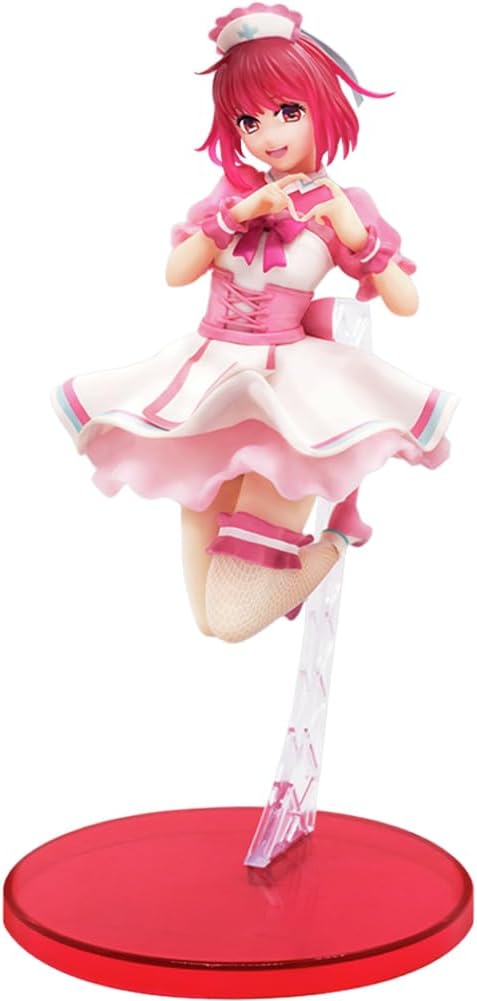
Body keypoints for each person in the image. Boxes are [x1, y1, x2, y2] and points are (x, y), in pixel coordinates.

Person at [51, 3, 458, 643]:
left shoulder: (343, 204)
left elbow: (405, 300)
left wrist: (352, 231)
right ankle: (287, 568)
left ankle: (334, 540)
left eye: (287, 112)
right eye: (249, 120)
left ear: (323, 107)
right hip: (205, 383)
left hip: (283, 398)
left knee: (235, 619)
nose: (268, 134)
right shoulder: (232, 193)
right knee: (209, 622)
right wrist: (238, 212)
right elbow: (177, 272)